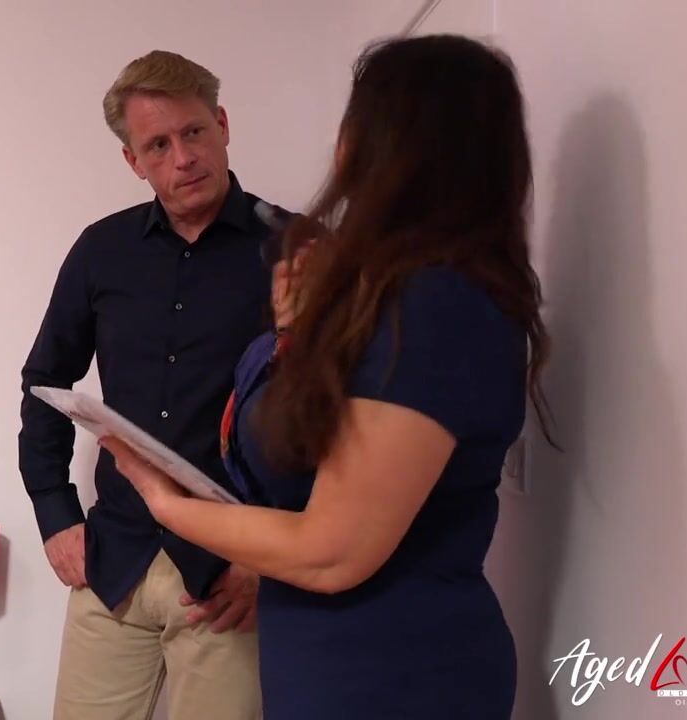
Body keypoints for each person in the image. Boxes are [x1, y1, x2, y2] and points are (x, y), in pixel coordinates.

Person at [102, 35, 554, 719]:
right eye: (158, 144)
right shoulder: (394, 291)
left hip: (395, 675)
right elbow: (309, 449)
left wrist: (165, 503)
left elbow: (331, 551)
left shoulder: (437, 305)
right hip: (332, 663)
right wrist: (294, 332)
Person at [18, 50, 274, 720]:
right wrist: (55, 515)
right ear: (133, 160)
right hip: (114, 564)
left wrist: (269, 560)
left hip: (230, 576)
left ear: (222, 124)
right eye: (158, 145)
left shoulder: (294, 250)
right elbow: (44, 381)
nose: (183, 157)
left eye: (194, 132)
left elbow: (331, 422)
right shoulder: (101, 250)